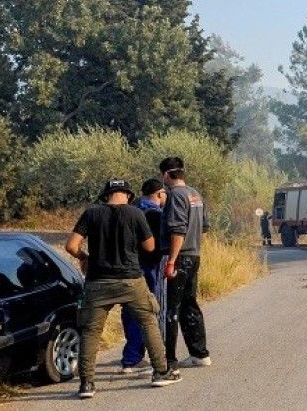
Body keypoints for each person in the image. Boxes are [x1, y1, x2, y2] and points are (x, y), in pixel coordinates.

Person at [65, 179, 181, 399]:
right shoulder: (136, 214)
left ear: (106, 195)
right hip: (131, 280)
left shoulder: (91, 213)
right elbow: (150, 246)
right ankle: (161, 372)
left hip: (98, 282)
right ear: (127, 195)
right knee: (148, 321)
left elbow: (71, 246)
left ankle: (87, 384)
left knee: (91, 331)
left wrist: (84, 257)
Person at [158, 157, 212, 369]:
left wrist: (171, 260)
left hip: (179, 258)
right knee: (190, 305)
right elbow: (204, 228)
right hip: (194, 256)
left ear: (165, 175)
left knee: (171, 309)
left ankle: (169, 360)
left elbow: (177, 230)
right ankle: (200, 354)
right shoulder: (195, 194)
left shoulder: (175, 195)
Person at [119, 178, 166, 374]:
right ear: (159, 194)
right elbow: (154, 246)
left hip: (125, 267)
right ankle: (133, 358)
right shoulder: (153, 214)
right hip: (146, 268)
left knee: (129, 311)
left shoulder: (130, 209)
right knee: (145, 312)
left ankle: (132, 353)